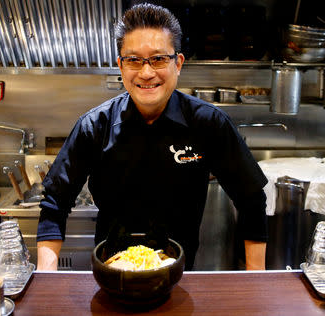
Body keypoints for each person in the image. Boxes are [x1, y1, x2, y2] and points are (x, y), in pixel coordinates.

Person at [37, 3, 268, 271]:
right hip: (112, 273)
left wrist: (256, 281)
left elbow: (251, 198)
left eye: (158, 59)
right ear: (120, 67)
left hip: (178, 276)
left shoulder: (209, 123)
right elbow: (55, 201)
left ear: (178, 63)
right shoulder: (94, 126)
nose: (146, 73)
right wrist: (46, 277)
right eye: (134, 60)